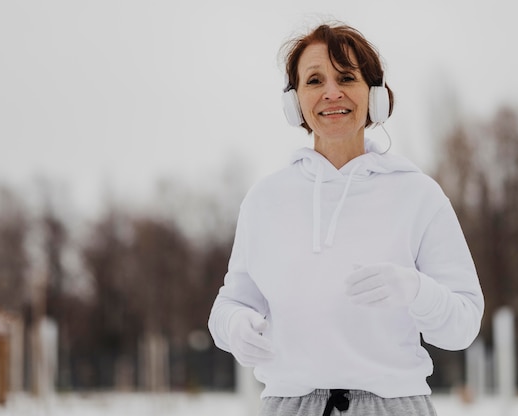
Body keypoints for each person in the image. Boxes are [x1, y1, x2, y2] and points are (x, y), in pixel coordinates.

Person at [207, 22, 484, 416]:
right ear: (295, 101)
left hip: (392, 406)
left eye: (347, 78)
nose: (331, 92)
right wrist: (233, 325)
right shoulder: (264, 200)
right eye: (314, 80)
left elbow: (463, 325)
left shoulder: (419, 195)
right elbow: (228, 307)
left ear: (375, 95)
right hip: (288, 406)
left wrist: (416, 290)